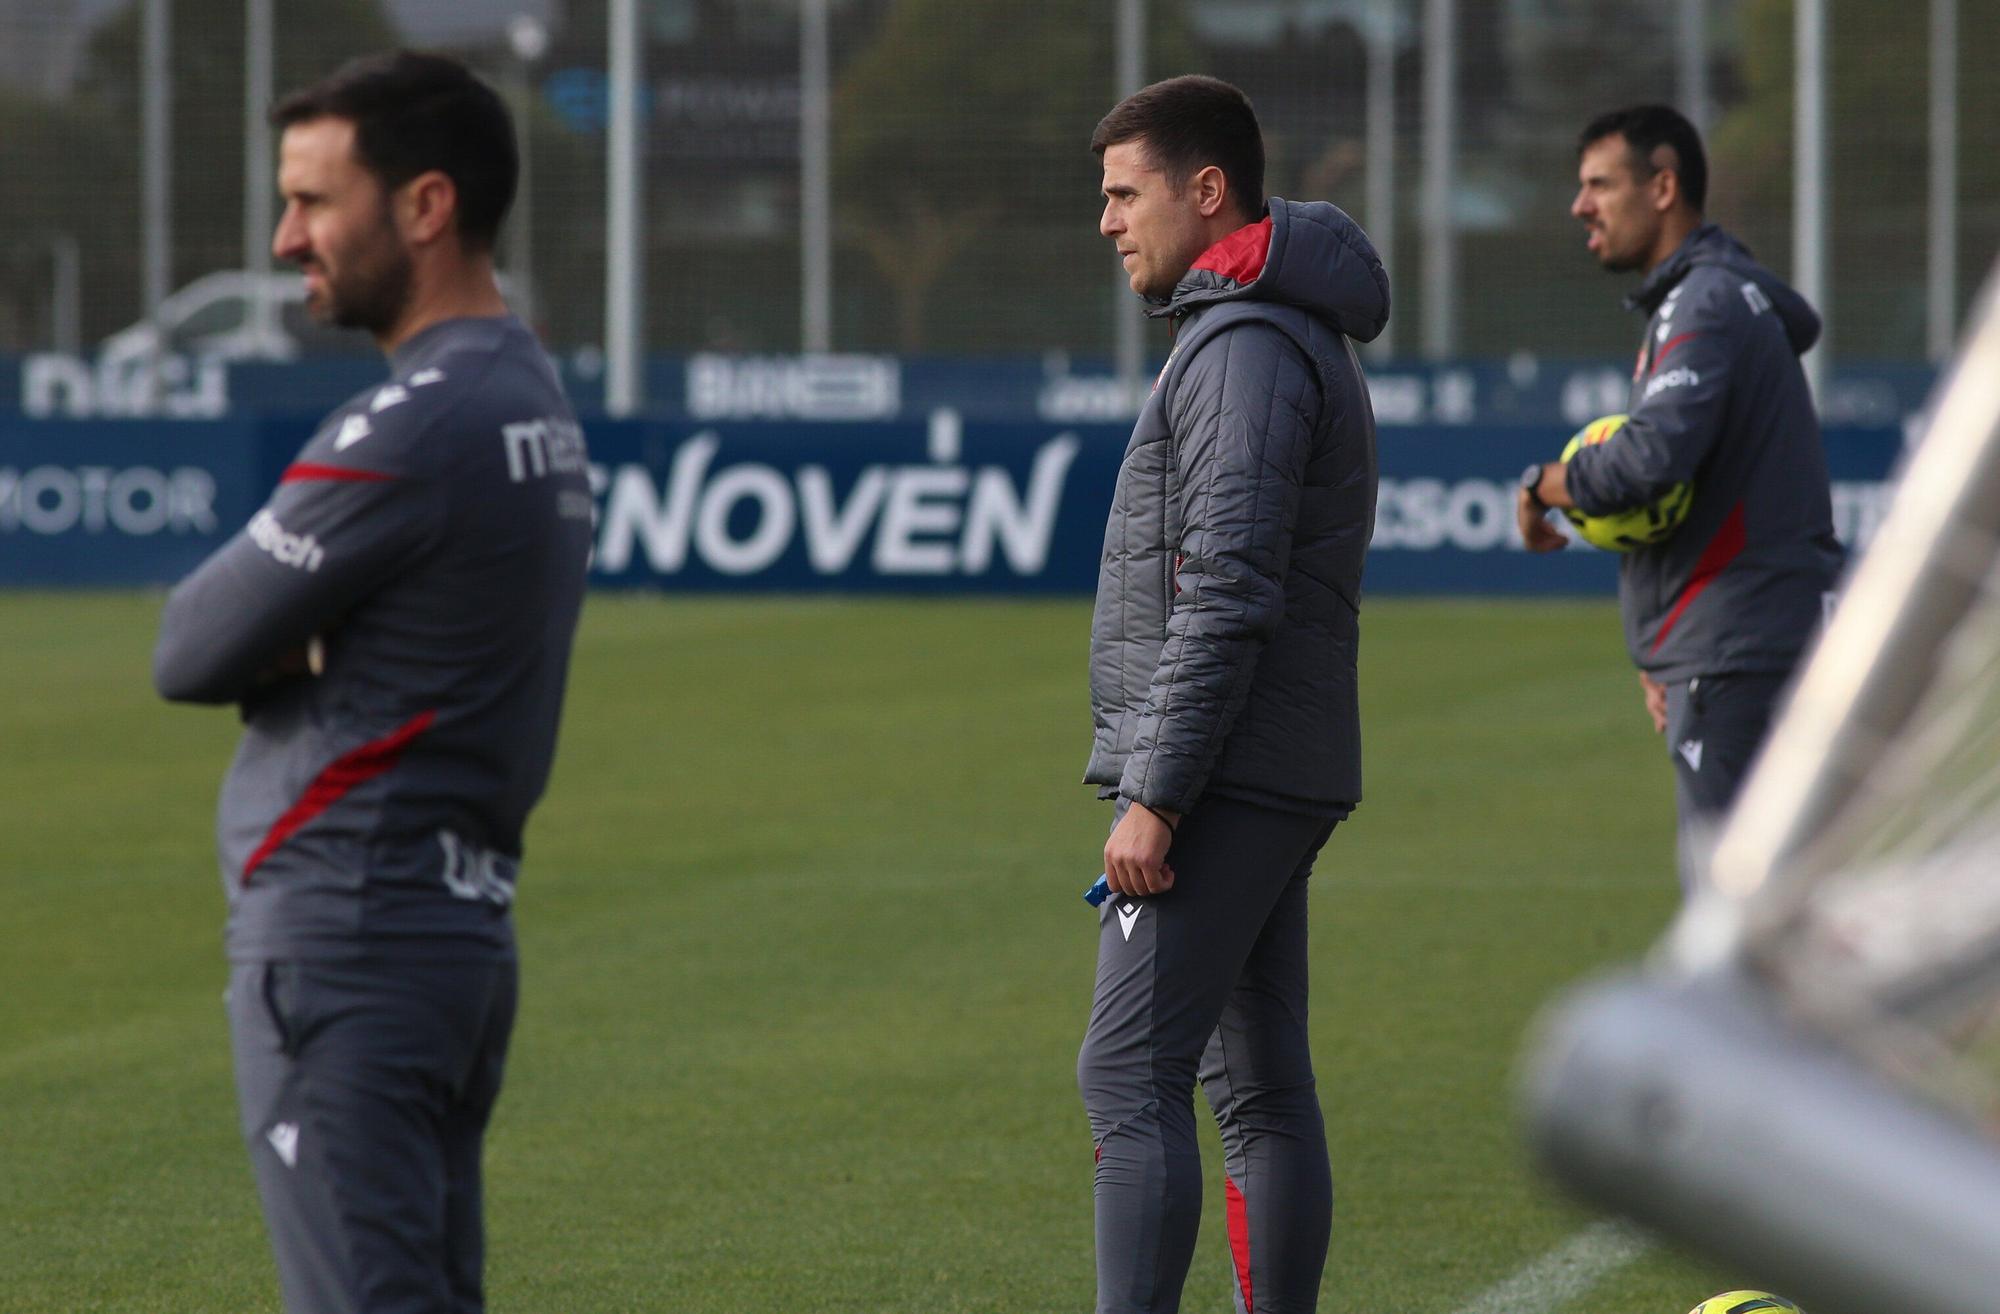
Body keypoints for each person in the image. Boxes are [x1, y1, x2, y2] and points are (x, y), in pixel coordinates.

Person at [152, 51, 592, 1314]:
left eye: (312, 200)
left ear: (425, 206)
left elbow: (187, 644)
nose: (288, 238)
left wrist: (296, 641)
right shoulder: (528, 395)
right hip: (449, 933)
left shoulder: (418, 421)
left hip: (347, 932)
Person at [1077, 75, 1388, 1314]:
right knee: (1255, 1084)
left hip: (1222, 774)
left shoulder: (1246, 347)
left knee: (1125, 1074)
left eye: (1122, 193)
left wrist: (1154, 793)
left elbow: (1225, 591)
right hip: (1264, 761)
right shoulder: (1260, 329)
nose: (1105, 221)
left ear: (1206, 193)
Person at [1515, 104, 1842, 884]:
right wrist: (1667, 645)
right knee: (1768, 907)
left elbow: (1651, 459)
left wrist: (1544, 485)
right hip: (1735, 644)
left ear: (1663, 187)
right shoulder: (1719, 296)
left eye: (1600, 184)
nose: (1580, 205)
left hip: (1736, 651)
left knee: (1732, 920)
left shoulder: (1704, 303)